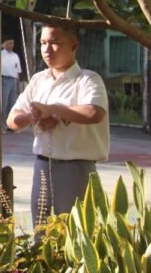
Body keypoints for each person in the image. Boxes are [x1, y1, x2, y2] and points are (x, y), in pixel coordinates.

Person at [6, 24, 109, 227]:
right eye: (43, 43)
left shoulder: (87, 79)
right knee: (41, 232)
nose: (47, 49)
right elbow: (12, 120)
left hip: (75, 167)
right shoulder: (38, 80)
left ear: (73, 45)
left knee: (74, 233)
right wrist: (34, 116)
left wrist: (54, 110)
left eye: (55, 43)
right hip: (43, 165)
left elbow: (94, 112)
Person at [1, 38, 23, 126]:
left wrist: (18, 85)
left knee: (12, 104)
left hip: (13, 80)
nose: (11, 45)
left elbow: (17, 71)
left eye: (12, 43)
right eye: (9, 43)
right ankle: (2, 125)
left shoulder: (15, 55)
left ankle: (10, 124)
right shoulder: (1, 54)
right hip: (4, 79)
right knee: (3, 103)